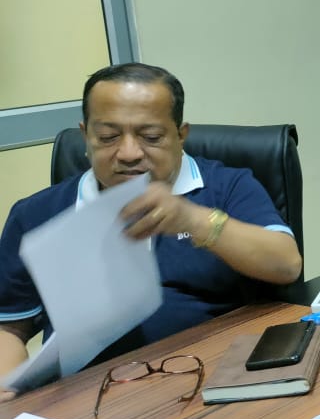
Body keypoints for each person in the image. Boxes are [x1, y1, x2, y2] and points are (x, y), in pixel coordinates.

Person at [0, 63, 303, 387]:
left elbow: (286, 265)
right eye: (108, 137)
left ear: (180, 135)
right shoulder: (36, 214)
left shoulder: (227, 186)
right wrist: (8, 385)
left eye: (151, 137)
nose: (129, 153)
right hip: (87, 393)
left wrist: (193, 219)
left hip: (208, 378)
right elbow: (9, 326)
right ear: (86, 135)